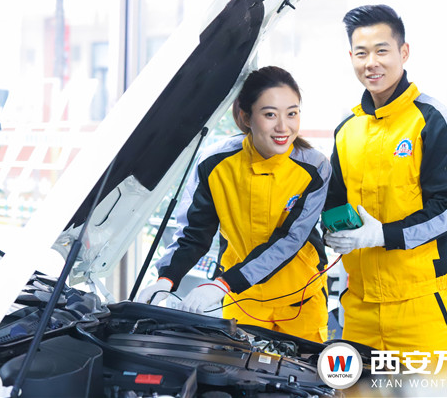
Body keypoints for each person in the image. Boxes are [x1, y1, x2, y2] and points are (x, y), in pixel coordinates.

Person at [323, 5, 447, 365]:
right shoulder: (347, 130)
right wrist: (333, 231)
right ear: (351, 57)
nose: (371, 63)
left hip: (419, 306)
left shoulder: (435, 122)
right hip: (358, 308)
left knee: (433, 390)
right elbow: (335, 202)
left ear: (404, 52)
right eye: (361, 53)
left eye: (382, 50)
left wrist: (383, 235)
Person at [137, 66, 331, 343]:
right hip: (241, 298)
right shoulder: (214, 163)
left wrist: (222, 284)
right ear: (246, 116)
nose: (283, 127)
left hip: (300, 298)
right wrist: (166, 278)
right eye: (270, 114)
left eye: (292, 113)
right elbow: (194, 232)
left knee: (301, 370)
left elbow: (290, 239)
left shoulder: (315, 167)